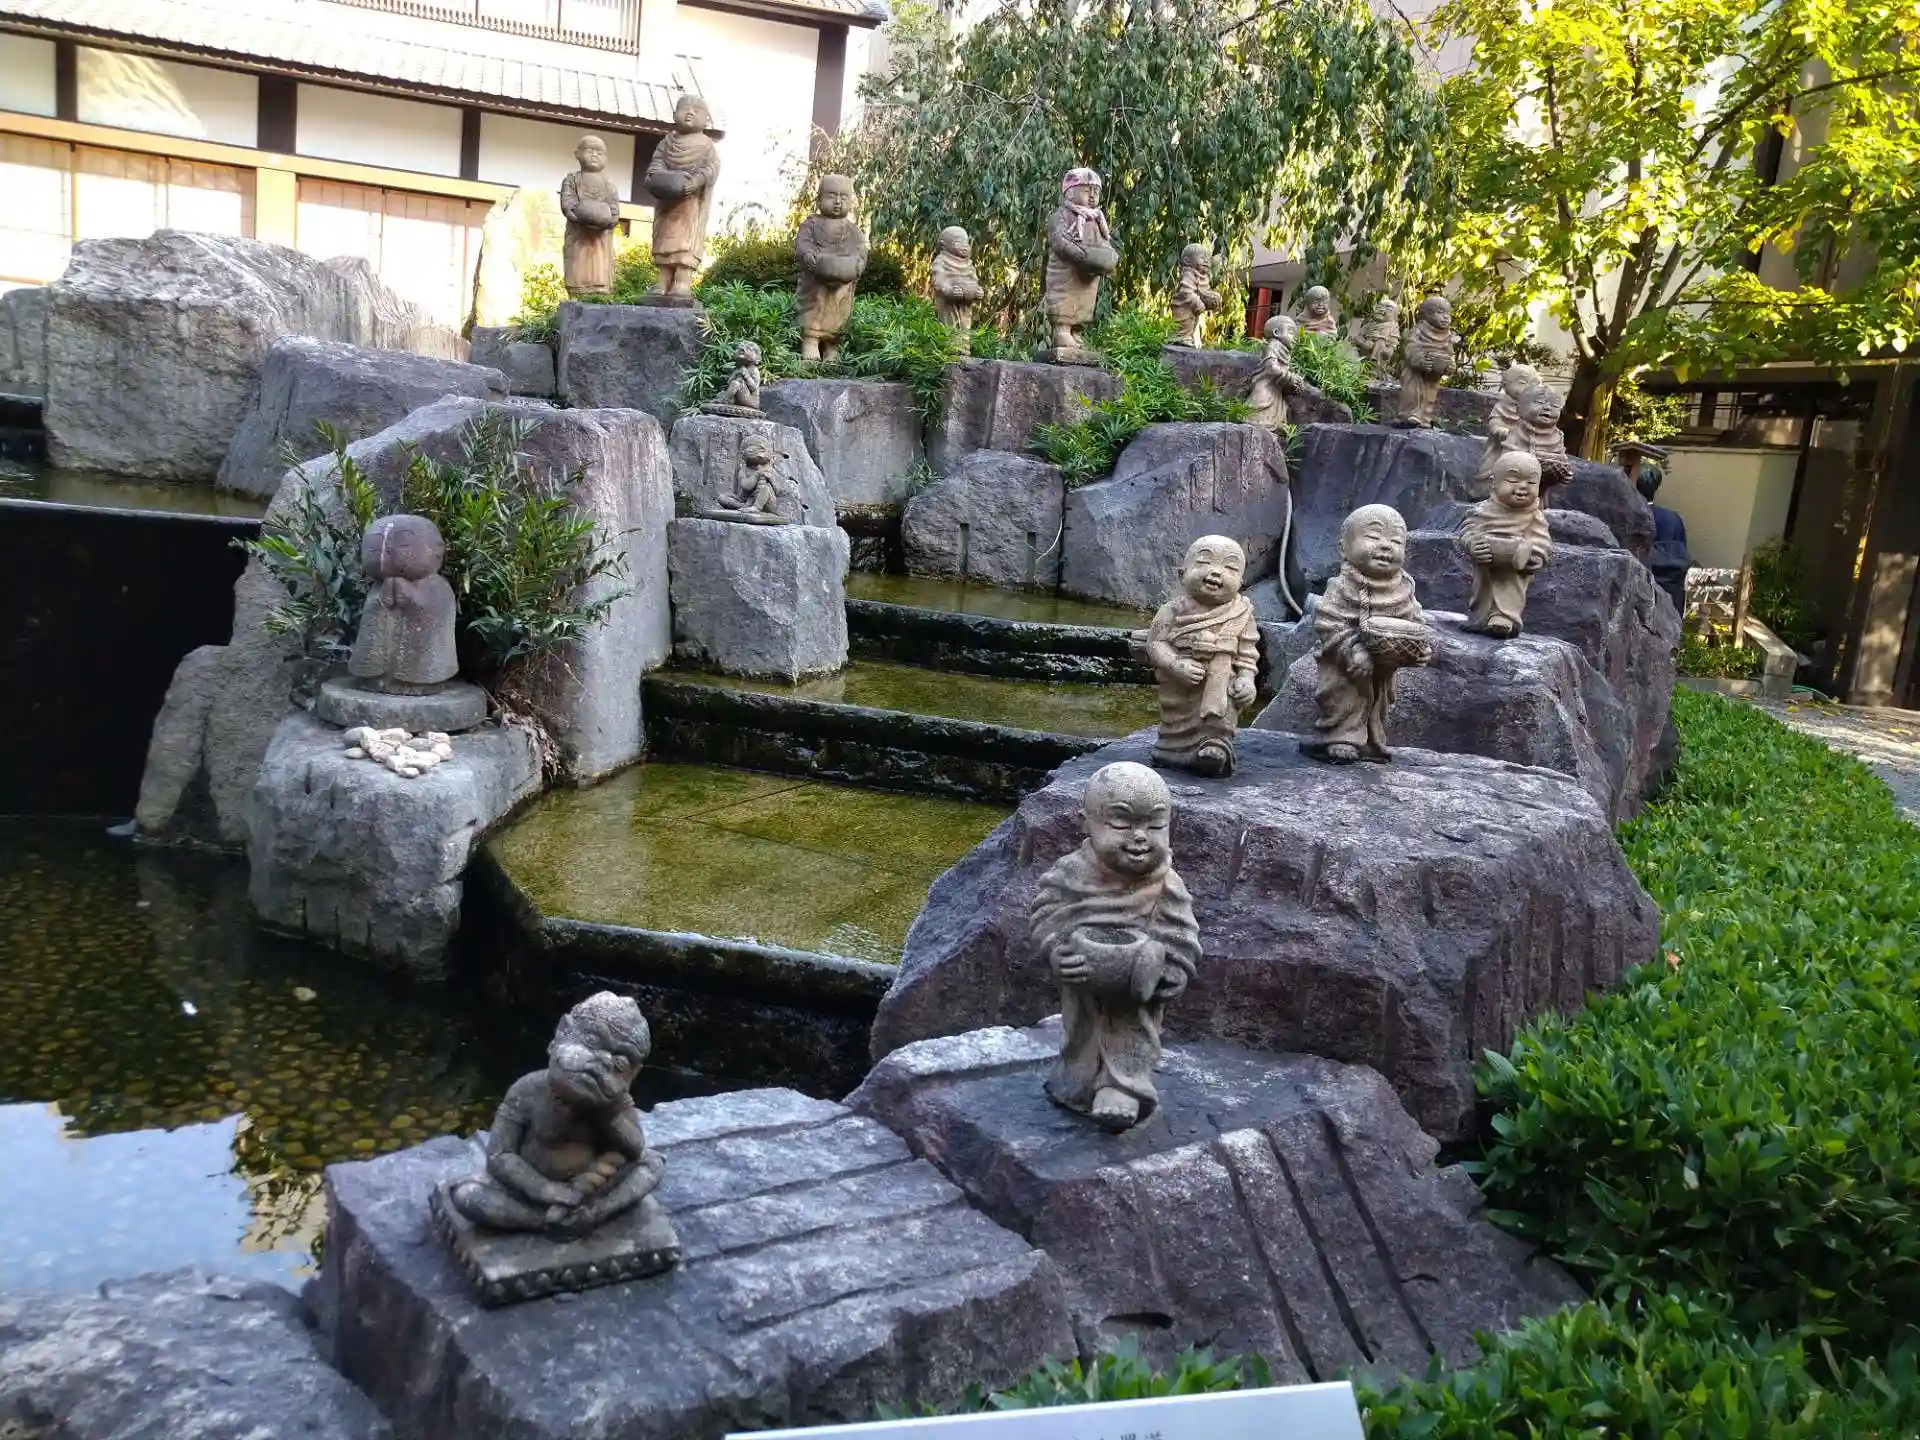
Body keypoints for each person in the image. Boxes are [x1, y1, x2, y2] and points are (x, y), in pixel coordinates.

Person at [1638, 462, 1692, 613]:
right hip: (1670, 597)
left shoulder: (1630, 516)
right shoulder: (1673, 519)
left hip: (1639, 594)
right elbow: (1682, 555)